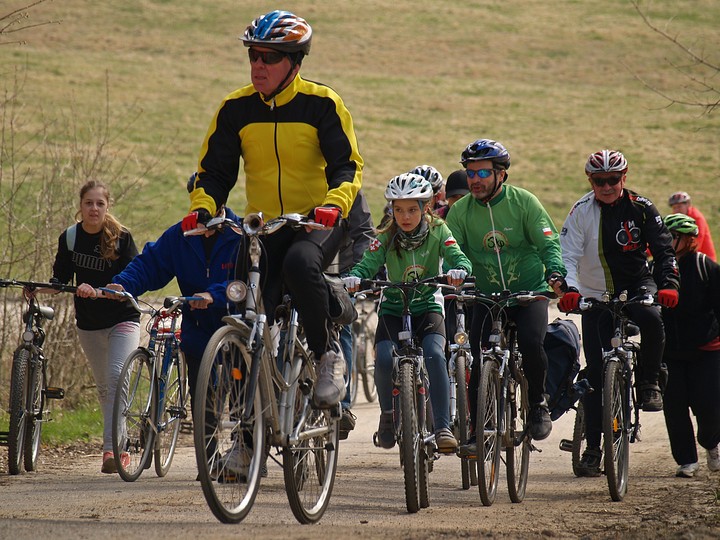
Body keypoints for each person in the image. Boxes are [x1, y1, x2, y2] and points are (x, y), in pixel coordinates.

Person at [183, 10, 363, 410]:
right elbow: (214, 173)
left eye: (268, 57)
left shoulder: (322, 104)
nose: (257, 65)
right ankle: (248, 440)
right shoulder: (235, 109)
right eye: (252, 56)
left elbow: (346, 167)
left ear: (294, 62)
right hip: (263, 227)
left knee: (300, 264)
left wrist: (334, 204)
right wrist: (203, 208)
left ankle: (326, 354)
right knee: (246, 313)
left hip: (317, 220)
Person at [558, 149, 680, 477]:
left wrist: (668, 285)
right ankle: (595, 449)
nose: (607, 186)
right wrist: (570, 291)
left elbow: (664, 250)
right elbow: (566, 255)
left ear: (624, 178)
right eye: (600, 180)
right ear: (590, 181)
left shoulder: (642, 208)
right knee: (597, 376)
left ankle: (649, 382)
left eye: (613, 179)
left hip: (637, 284)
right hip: (595, 293)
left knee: (653, 319)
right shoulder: (581, 211)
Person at [445, 139, 567, 444]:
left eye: (483, 173)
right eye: (470, 174)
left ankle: (538, 404)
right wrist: (454, 276)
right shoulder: (460, 212)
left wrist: (555, 273)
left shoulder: (524, 202)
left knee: (530, 342)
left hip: (528, 292)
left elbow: (548, 244)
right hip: (485, 295)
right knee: (475, 354)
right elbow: (452, 250)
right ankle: (476, 429)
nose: (475, 180)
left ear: (501, 174)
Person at [343, 173, 472, 452]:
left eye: (412, 209)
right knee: (384, 360)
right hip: (393, 306)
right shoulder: (387, 235)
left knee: (436, 355)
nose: (405, 216)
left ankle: (442, 427)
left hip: (428, 305)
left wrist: (459, 269)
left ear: (426, 208)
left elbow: (457, 256)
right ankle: (388, 417)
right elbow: (367, 263)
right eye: (398, 210)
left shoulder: (439, 230)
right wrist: (355, 277)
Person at [106, 201, 243, 436]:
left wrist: (214, 294)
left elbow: (246, 281)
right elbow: (150, 264)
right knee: (203, 395)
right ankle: (208, 459)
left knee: (242, 392)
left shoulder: (240, 233)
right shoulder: (180, 235)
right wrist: (123, 284)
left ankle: (247, 452)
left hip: (237, 326)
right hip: (198, 326)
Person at [50, 180, 140, 474]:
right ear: (80, 205)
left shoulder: (121, 238)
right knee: (105, 388)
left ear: (107, 206)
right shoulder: (71, 238)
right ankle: (121, 444)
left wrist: (100, 290)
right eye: (89, 203)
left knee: (116, 378)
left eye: (100, 203)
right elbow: (60, 278)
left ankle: (112, 451)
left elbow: (134, 279)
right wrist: (41, 290)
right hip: (88, 323)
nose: (94, 209)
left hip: (122, 319)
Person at [659, 213, 720, 478]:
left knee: (709, 408)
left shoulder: (706, 267)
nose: (667, 242)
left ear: (688, 240)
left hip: (707, 349)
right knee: (674, 407)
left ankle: (711, 443)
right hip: (670, 351)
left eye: (672, 237)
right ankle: (686, 460)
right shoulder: (656, 269)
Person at [325, 189, 376, 439]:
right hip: (301, 267)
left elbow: (364, 233)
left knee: (341, 324)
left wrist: (359, 272)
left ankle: (342, 405)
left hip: (341, 271)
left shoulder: (349, 190)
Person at [668, 191, 716, 261]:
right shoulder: (675, 220)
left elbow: (697, 242)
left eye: (679, 206)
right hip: (685, 260)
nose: (677, 210)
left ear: (688, 205)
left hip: (703, 261)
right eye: (674, 208)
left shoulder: (697, 218)